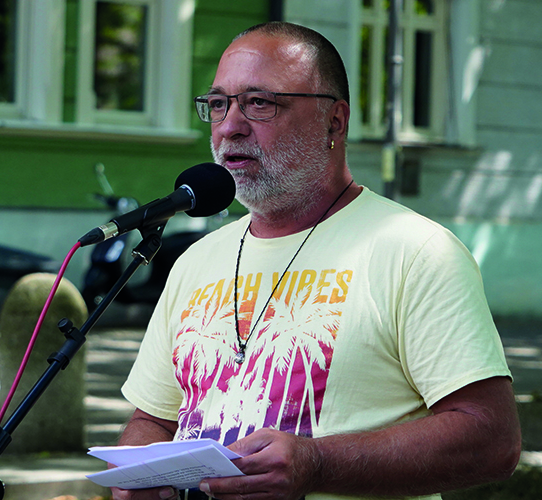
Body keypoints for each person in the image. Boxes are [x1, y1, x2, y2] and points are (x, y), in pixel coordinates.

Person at [111, 22, 521, 500]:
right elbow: (152, 418)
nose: (229, 125)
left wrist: (317, 462)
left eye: (260, 102)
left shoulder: (416, 252)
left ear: (335, 121)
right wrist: (137, 480)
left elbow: (491, 439)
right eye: (218, 104)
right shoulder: (196, 260)